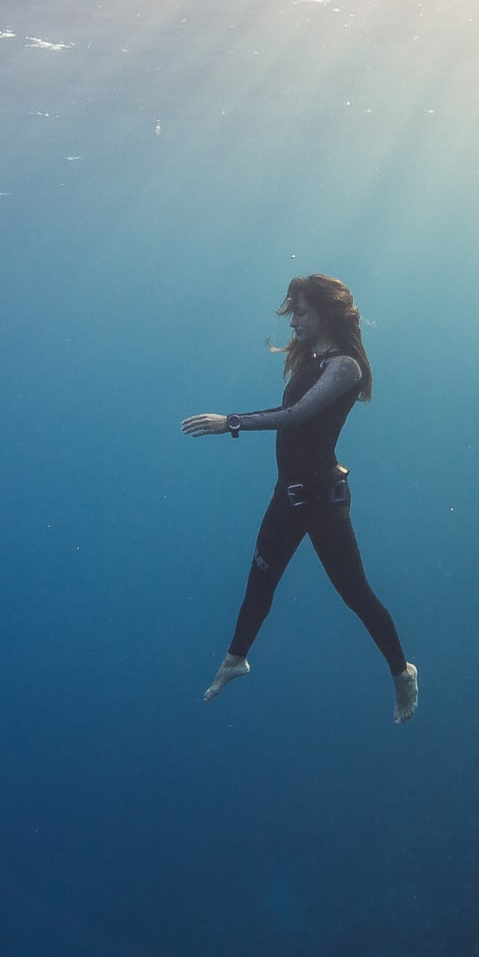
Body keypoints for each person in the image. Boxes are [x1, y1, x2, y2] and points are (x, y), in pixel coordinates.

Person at [182, 275, 419, 723]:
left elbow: (298, 416)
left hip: (322, 501)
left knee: (356, 595)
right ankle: (236, 660)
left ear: (326, 314)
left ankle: (402, 672)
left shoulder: (345, 366)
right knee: (260, 581)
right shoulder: (312, 359)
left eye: (300, 311)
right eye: (292, 311)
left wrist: (228, 422)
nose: (292, 321)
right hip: (287, 495)